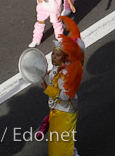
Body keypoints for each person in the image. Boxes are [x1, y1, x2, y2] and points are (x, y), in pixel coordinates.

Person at [39, 20, 83, 156]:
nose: (53, 57)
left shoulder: (65, 75)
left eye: (57, 55)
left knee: (62, 148)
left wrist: (47, 88)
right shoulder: (58, 68)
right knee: (61, 145)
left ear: (65, 58)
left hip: (65, 112)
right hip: (57, 111)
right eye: (53, 53)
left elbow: (67, 96)